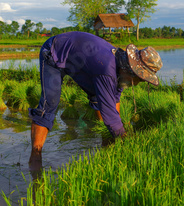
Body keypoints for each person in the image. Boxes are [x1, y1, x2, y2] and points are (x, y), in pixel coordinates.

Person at [28, 31, 163, 164]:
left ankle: (107, 149)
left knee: (99, 98)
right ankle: (35, 156)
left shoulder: (121, 66)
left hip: (77, 60)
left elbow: (114, 99)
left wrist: (120, 129)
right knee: (49, 104)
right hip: (54, 52)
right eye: (139, 79)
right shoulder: (107, 69)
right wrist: (127, 142)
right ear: (131, 70)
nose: (137, 83)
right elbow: (110, 116)